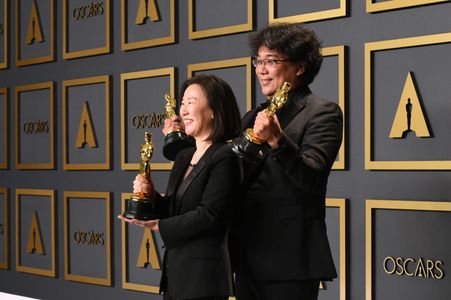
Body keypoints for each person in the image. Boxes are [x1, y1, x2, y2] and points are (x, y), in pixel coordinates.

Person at [231, 22, 343, 300]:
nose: (261, 70)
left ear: (301, 66)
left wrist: (277, 141)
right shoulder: (252, 115)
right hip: (248, 253)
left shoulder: (322, 112)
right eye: (258, 61)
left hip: (290, 259)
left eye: (271, 61)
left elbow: (312, 177)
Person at [119, 74, 242, 300]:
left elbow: (211, 215)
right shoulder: (184, 156)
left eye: (191, 102)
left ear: (214, 110)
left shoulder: (226, 156)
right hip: (175, 276)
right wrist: (150, 196)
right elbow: (175, 208)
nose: (182, 111)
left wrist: (159, 226)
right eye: (182, 103)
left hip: (204, 281)